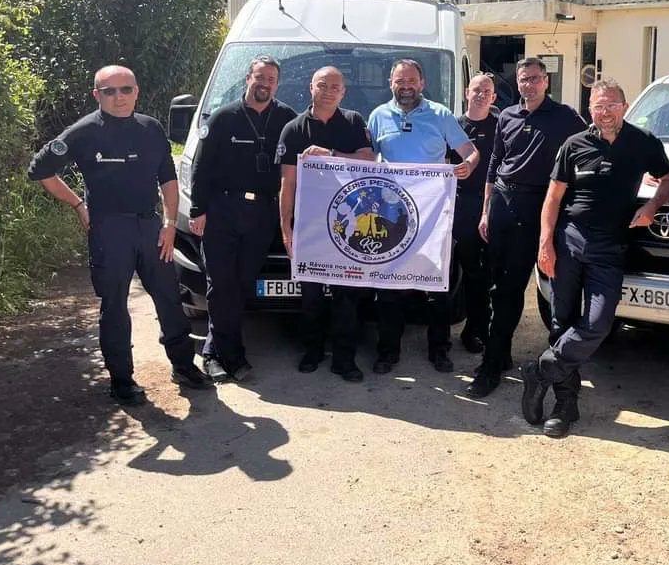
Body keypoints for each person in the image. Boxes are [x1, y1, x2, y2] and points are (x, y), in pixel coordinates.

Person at [28, 65, 210, 404]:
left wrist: (170, 225)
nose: (119, 97)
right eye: (109, 91)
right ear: (97, 95)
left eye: (125, 89)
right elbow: (40, 171)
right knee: (114, 306)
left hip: (151, 228)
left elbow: (168, 181)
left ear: (136, 91)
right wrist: (79, 204)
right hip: (108, 230)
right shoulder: (83, 132)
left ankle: (183, 364)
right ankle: (122, 380)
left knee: (169, 298)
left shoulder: (150, 129)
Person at [521, 79, 669, 437]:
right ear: (590, 110)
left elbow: (668, 178)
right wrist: (546, 243)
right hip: (569, 242)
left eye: (611, 105)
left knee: (599, 323)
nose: (604, 113)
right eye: (597, 107)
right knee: (562, 322)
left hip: (611, 248)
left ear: (624, 105)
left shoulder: (641, 142)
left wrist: (652, 206)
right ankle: (565, 405)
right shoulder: (574, 145)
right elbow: (553, 199)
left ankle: (541, 370)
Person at [467, 57, 585, 398]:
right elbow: (494, 163)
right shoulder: (506, 116)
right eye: (523, 79)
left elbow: (590, 149)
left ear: (545, 81)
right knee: (498, 285)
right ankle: (500, 355)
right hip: (502, 205)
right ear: (517, 83)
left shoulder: (565, 117)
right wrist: (486, 210)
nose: (529, 85)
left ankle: (490, 367)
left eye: (535, 79)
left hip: (537, 208)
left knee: (510, 288)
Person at [366, 59, 480, 373]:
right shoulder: (377, 116)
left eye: (411, 81)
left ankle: (439, 350)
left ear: (422, 83)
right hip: (391, 216)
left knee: (437, 288)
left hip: (432, 217)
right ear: (390, 83)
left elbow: (470, 152)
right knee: (388, 288)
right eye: (400, 81)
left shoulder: (440, 115)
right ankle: (388, 351)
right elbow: (363, 159)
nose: (406, 87)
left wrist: (468, 165)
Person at [187, 56, 297, 383]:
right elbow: (200, 169)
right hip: (222, 211)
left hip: (263, 214)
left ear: (278, 83)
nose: (265, 84)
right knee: (220, 285)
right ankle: (232, 358)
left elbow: (301, 159)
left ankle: (210, 351)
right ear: (248, 78)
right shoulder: (223, 117)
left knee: (240, 286)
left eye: (271, 79)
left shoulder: (287, 119)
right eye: (259, 77)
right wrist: (197, 211)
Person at [277, 66, 375, 380]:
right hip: (309, 226)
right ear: (311, 88)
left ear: (343, 92)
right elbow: (287, 184)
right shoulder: (293, 128)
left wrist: (330, 154)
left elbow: (368, 159)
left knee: (347, 296)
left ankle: (344, 360)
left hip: (349, 226)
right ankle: (313, 350)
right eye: (323, 85)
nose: (329, 91)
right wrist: (286, 228)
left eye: (336, 86)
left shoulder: (353, 122)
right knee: (312, 297)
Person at [451, 73, 499, 354]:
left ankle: (481, 328)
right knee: (461, 271)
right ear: (467, 92)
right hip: (457, 205)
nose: (481, 95)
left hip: (489, 206)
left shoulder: (502, 125)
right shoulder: (454, 126)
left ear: (494, 97)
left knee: (484, 273)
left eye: (487, 91)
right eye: (477, 89)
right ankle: (462, 329)